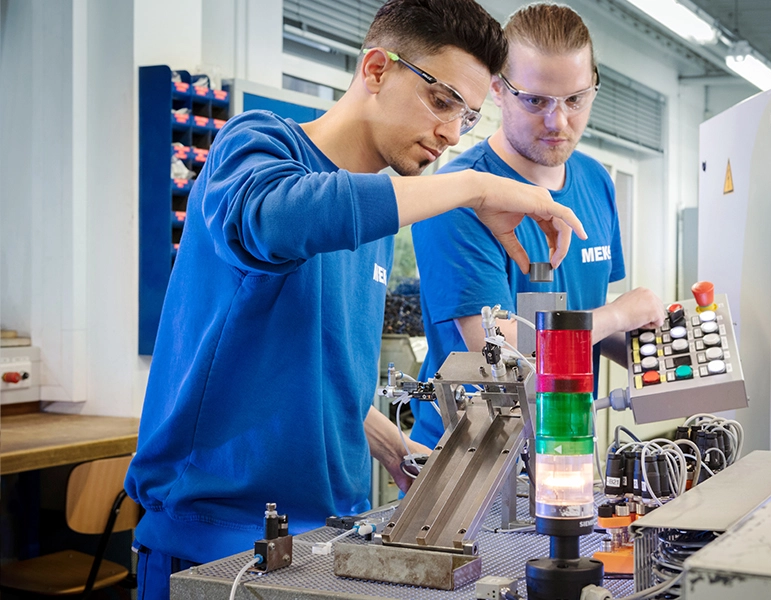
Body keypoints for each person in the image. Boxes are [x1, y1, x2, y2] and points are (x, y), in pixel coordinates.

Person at [124, 1, 587, 597]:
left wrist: (383, 436)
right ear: (375, 69)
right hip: (215, 544)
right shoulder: (258, 147)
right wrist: (474, 186)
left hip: (329, 542)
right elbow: (277, 220)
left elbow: (292, 362)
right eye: (442, 101)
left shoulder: (371, 215)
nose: (451, 133)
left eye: (468, 116)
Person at [411, 3, 664, 448]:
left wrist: (664, 356)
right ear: (497, 89)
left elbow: (590, 315)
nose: (558, 121)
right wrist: (618, 314)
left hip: (564, 440)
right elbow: (496, 350)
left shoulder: (595, 181)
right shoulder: (457, 194)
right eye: (536, 101)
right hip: (470, 455)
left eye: (575, 99)